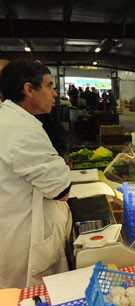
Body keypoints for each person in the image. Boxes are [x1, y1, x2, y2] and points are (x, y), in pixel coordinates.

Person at [0, 60, 72, 288]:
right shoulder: (22, 131)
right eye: (49, 85)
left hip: (15, 225)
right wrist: (61, 169)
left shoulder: (10, 119)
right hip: (25, 240)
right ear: (29, 90)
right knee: (31, 302)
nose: (54, 93)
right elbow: (62, 190)